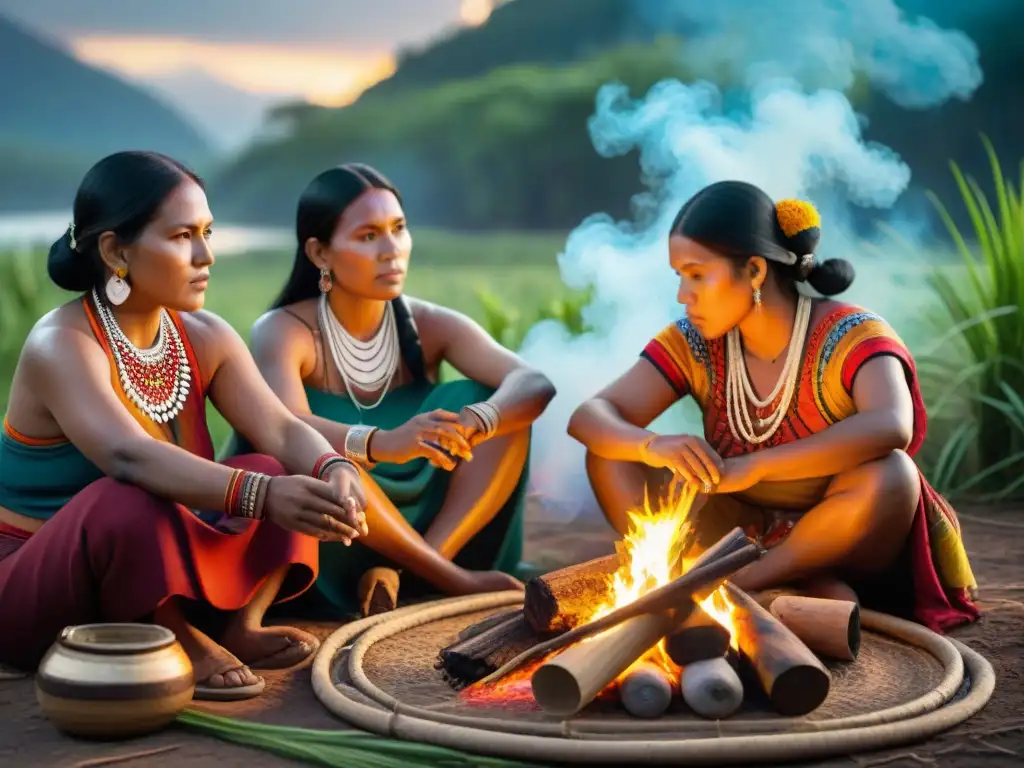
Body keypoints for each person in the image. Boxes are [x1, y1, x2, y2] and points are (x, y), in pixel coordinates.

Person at [0, 151, 369, 700]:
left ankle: (237, 623)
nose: (206, 255)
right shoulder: (62, 343)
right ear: (115, 251)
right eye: (181, 237)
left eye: (208, 232)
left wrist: (333, 466)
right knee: (131, 495)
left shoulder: (204, 335)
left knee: (269, 464)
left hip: (151, 562)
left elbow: (281, 427)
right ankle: (170, 637)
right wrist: (264, 496)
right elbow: (129, 456)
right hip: (33, 591)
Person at [567, 180, 979, 633]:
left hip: (845, 529)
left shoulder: (852, 331)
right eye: (680, 277)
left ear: (757, 272)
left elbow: (890, 425)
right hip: (733, 528)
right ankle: (776, 582)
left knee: (893, 475)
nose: (684, 295)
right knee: (610, 452)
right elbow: (591, 416)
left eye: (698, 275)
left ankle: (744, 583)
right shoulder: (695, 341)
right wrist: (652, 445)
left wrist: (758, 466)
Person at [235, 163, 555, 616]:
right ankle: (451, 580)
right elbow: (286, 427)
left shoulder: (427, 323)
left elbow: (532, 382)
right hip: (340, 523)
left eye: (398, 229)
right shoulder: (285, 330)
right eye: (368, 236)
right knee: (324, 461)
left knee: (490, 402)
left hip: (443, 523)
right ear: (320, 253)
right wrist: (385, 443)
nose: (392, 250)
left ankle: (418, 570)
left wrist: (479, 419)